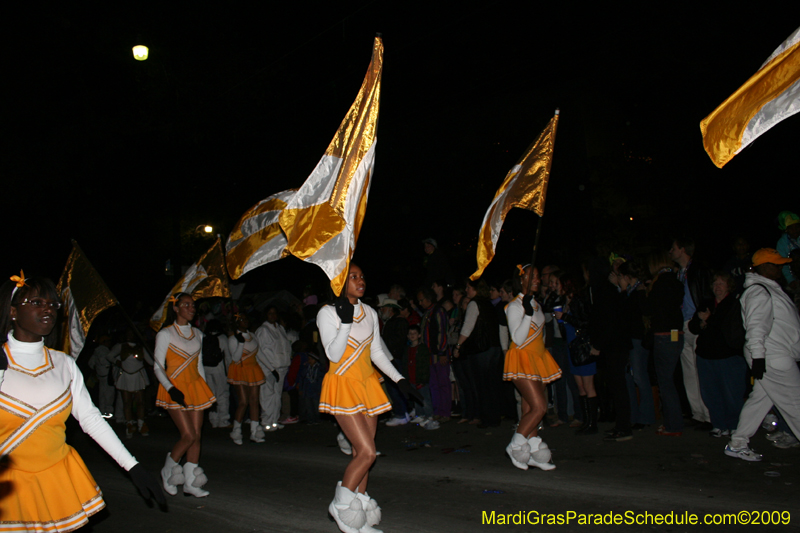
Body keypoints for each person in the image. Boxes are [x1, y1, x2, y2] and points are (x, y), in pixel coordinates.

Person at [0, 274, 164, 531]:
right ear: (12, 311)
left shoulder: (64, 364)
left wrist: (132, 466)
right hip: (9, 487)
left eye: (53, 304)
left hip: (57, 479)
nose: (48, 309)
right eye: (36, 302)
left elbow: (90, 419)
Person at [318, 264, 421, 533]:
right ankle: (340, 506)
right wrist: (344, 321)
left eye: (362, 276)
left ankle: (359, 516)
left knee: (361, 452)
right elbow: (334, 355)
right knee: (367, 453)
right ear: (340, 283)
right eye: (352, 277)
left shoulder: (371, 312)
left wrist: (400, 380)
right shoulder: (327, 313)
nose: (360, 280)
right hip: (343, 385)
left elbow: (376, 352)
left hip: (367, 384)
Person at [725, 249, 800, 461]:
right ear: (762, 267)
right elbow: (756, 327)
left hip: (770, 355)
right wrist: (758, 358)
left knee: (760, 399)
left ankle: (737, 443)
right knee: (796, 404)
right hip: (772, 356)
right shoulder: (759, 291)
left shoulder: (767, 288)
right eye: (775, 264)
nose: (780, 268)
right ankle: (737, 443)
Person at [154, 292, 216, 498]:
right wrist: (170, 389)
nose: (191, 308)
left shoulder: (198, 333)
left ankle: (190, 482)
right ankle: (168, 470)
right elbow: (157, 366)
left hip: (195, 386)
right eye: (186, 305)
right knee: (188, 435)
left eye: (193, 305)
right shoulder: (165, 334)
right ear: (176, 308)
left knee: (197, 436)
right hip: (174, 388)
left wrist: (205, 390)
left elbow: (199, 366)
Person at [503, 265, 560, 471]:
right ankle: (515, 444)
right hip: (521, 359)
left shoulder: (535, 303)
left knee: (529, 408)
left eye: (537, 276)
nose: (537, 279)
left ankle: (533, 447)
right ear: (521, 280)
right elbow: (517, 339)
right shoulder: (514, 306)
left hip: (538, 359)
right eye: (532, 277)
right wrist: (527, 312)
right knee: (540, 407)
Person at [687, 272, 747, 437]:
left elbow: (728, 329)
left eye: (721, 283)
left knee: (731, 394)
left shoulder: (734, 304)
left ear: (728, 286)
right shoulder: (706, 303)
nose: (717, 287)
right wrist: (702, 322)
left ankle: (734, 426)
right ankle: (719, 424)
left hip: (727, 356)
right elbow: (693, 327)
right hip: (706, 356)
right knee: (710, 393)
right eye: (715, 284)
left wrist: (710, 320)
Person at [669, 237, 713, 429]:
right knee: (689, 372)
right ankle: (698, 414)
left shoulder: (699, 270)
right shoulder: (678, 274)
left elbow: (706, 295)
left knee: (701, 371)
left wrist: (702, 317)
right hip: (681, 327)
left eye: (673, 248)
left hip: (695, 324)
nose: (670, 252)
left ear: (683, 249)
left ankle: (710, 415)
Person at [645, 251, 686, 437]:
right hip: (676, 334)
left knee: (666, 382)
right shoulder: (676, 281)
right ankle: (672, 422)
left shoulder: (660, 283)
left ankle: (674, 425)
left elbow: (650, 308)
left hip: (663, 335)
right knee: (671, 379)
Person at [227, 313, 267, 444]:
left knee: (254, 401)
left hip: (253, 369)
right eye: (242, 319)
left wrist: (271, 369)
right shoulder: (233, 338)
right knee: (243, 401)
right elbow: (235, 358)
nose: (245, 321)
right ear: (237, 323)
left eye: (246, 319)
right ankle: (236, 430)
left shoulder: (253, 336)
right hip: (240, 370)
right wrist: (240, 344)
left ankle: (255, 431)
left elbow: (259, 354)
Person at [110, 328, 155, 438]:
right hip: (125, 375)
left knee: (140, 402)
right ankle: (129, 424)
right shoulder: (120, 346)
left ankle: (140, 424)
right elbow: (109, 356)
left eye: (132, 333)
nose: (130, 335)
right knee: (127, 402)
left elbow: (151, 361)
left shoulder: (141, 348)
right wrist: (118, 362)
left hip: (138, 376)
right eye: (128, 333)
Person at [255, 306, 293, 432]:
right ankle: (266, 421)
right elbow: (260, 351)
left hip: (281, 367)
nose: (272, 316)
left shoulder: (280, 328)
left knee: (277, 395)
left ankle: (274, 421)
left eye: (274, 313)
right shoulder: (263, 330)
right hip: (269, 368)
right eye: (270, 313)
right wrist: (271, 368)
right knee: (267, 396)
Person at [203, 319, 232, 429]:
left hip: (206, 369)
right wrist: (229, 371)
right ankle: (223, 420)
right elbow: (228, 356)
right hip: (219, 369)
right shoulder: (223, 338)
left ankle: (213, 420)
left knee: (211, 395)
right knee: (222, 394)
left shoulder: (204, 337)